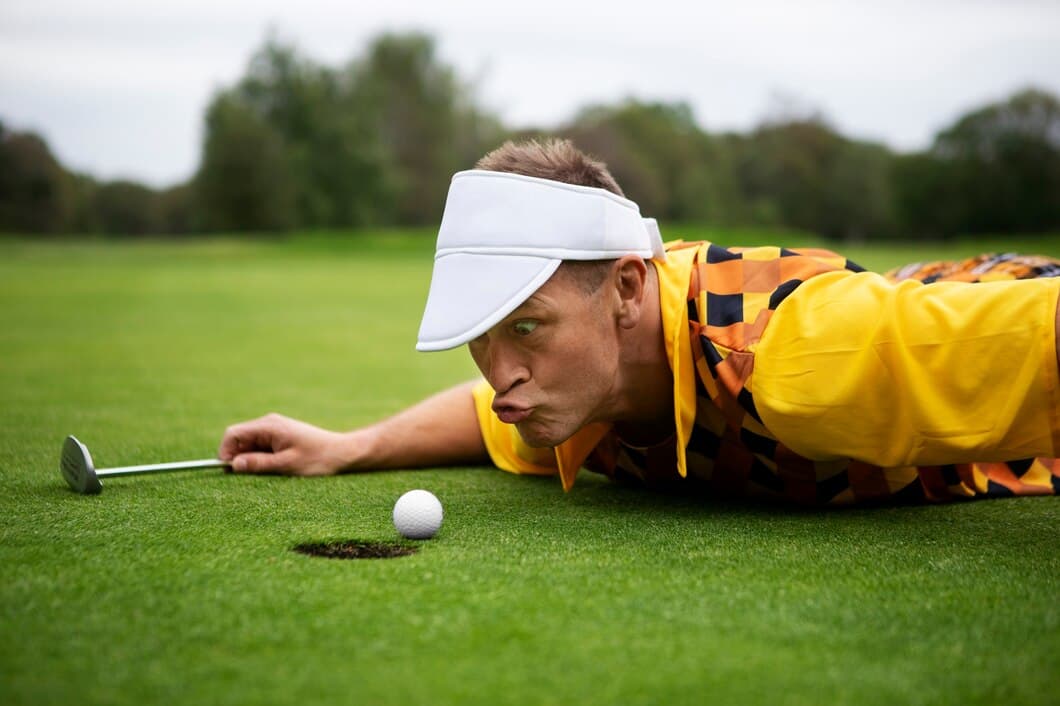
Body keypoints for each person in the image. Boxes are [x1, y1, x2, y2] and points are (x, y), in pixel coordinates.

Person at [218, 139, 1060, 505]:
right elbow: (486, 420)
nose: (498, 374)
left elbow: (1028, 341)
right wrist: (348, 447)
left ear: (624, 289)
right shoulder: (567, 392)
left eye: (525, 327)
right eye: (481, 334)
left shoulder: (804, 361)